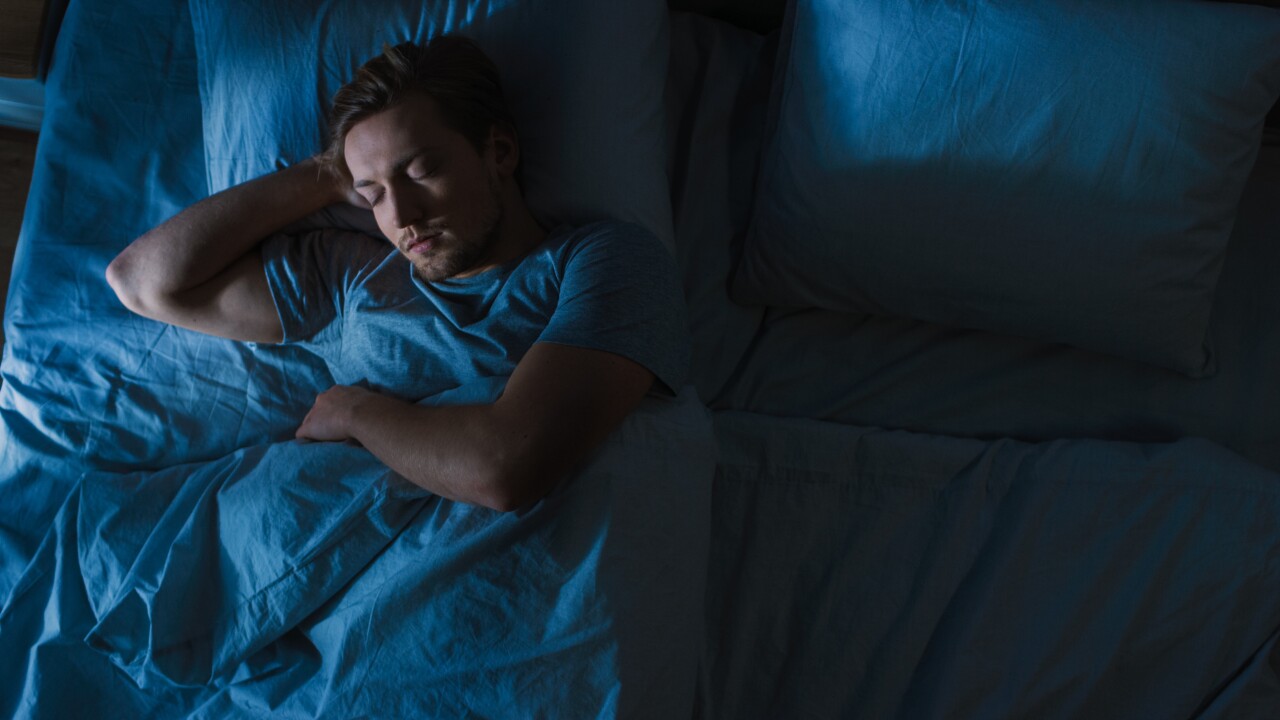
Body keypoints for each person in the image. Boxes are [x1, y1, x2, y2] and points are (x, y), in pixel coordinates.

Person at [105, 36, 688, 513]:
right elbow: (142, 281)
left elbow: (504, 469)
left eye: (421, 170)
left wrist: (357, 413)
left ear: (501, 151)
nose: (403, 217)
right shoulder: (354, 279)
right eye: (374, 194)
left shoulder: (604, 263)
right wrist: (331, 175)